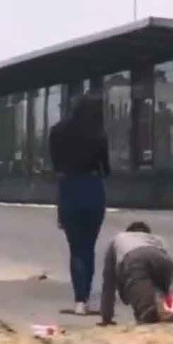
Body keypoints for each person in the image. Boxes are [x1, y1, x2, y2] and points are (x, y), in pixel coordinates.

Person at [49, 93, 110, 315]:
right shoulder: (98, 134)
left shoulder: (57, 131)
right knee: (88, 247)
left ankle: (79, 301)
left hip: (68, 190)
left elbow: (55, 165)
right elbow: (106, 169)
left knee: (76, 248)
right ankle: (87, 297)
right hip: (92, 189)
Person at [100, 222, 173, 325]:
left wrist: (106, 317)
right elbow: (170, 271)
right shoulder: (157, 239)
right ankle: (171, 307)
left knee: (143, 301)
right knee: (163, 287)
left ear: (129, 232)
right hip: (161, 257)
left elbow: (108, 283)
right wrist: (171, 291)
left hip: (135, 257)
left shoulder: (118, 238)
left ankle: (150, 309)